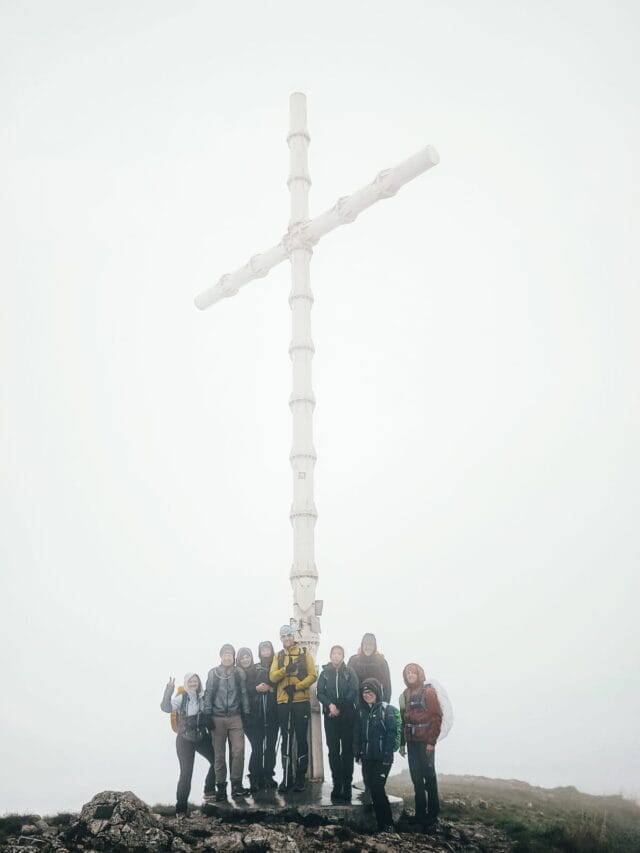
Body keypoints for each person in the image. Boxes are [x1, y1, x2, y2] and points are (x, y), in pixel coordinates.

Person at [270, 624, 317, 793]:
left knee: (301, 740)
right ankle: (287, 777)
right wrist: (285, 670)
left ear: (293, 636)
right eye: (283, 636)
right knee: (286, 739)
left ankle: (300, 778)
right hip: (283, 702)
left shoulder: (305, 654)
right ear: (281, 639)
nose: (287, 639)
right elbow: (272, 676)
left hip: (300, 701)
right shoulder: (279, 656)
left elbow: (313, 675)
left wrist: (297, 686)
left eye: (289, 635)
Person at [160, 673, 216, 816]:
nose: (193, 684)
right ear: (186, 683)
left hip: (200, 736)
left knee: (217, 761)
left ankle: (209, 790)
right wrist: (169, 689)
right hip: (184, 740)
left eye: (195, 681)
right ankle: (181, 810)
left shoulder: (202, 697)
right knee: (186, 773)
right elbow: (166, 707)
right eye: (190, 681)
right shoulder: (181, 698)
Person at [203, 644, 251, 801]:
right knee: (219, 754)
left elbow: (243, 693)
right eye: (225, 654)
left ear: (233, 656)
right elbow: (208, 694)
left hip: (236, 716)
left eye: (230, 654)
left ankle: (236, 785)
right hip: (217, 718)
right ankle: (221, 787)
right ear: (221, 656)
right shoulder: (214, 673)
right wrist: (207, 715)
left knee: (238, 750)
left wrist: (246, 713)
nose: (227, 657)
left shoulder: (239, 673)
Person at [399, 662, 442, 831]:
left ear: (419, 674)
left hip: (426, 743)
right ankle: (420, 815)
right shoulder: (404, 695)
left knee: (429, 778)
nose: (410, 675)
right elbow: (402, 721)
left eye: (413, 672)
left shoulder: (428, 692)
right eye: (407, 673)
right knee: (416, 779)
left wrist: (432, 742)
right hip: (411, 743)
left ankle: (432, 815)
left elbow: (436, 718)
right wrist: (402, 744)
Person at [353, 677, 397, 832]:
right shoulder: (362, 712)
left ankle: (387, 824)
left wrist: (387, 756)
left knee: (378, 789)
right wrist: (357, 753)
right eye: (364, 692)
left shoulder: (387, 710)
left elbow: (391, 734)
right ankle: (377, 824)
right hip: (367, 758)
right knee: (370, 788)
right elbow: (358, 734)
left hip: (382, 760)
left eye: (370, 692)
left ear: (377, 692)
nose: (367, 695)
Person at [316, 644, 359, 801]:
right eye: (334, 653)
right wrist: (330, 706)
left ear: (343, 656)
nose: (336, 656)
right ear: (330, 655)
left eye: (339, 653)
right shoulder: (325, 674)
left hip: (347, 716)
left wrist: (339, 706)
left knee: (347, 751)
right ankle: (337, 784)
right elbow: (319, 692)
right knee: (333, 751)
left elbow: (354, 690)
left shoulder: (349, 672)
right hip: (330, 717)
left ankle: (347, 785)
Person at [237, 644, 278, 792]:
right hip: (253, 716)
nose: (246, 659)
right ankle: (255, 777)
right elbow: (241, 691)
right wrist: (256, 689)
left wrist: (270, 689)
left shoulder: (262, 668)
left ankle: (267, 775)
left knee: (270, 746)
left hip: (271, 713)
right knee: (257, 747)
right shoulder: (239, 672)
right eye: (243, 657)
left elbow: (276, 685)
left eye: (248, 656)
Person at [347, 632, 392, 702]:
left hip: (376, 701)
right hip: (358, 702)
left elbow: (387, 686)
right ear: (362, 645)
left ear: (374, 646)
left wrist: (384, 704)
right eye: (365, 644)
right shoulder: (354, 660)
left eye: (371, 644)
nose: (368, 647)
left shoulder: (381, 662)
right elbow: (347, 682)